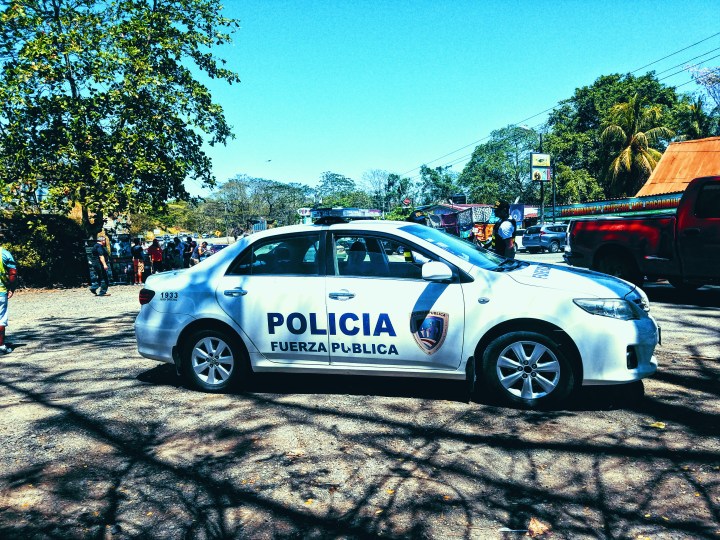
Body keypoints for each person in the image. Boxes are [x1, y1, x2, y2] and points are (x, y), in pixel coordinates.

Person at [0, 237, 17, 355]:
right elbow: (13, 272)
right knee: (1, 319)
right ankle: (1, 346)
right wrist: (12, 287)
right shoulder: (5, 253)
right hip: (0, 291)